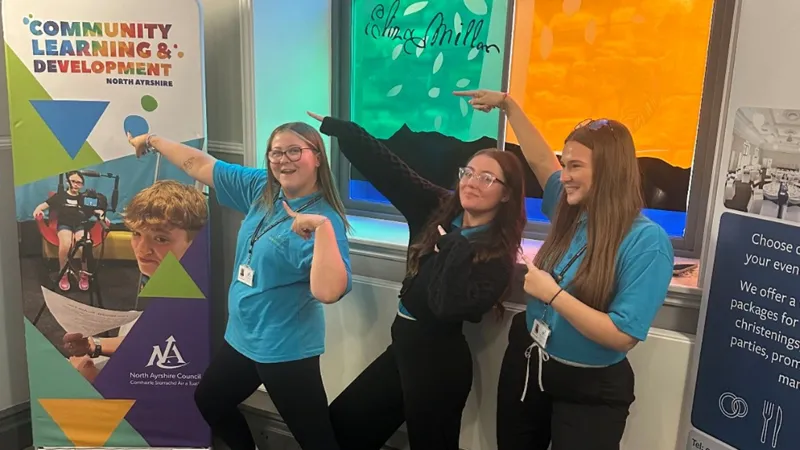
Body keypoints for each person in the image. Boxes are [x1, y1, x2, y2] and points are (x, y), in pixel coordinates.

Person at [455, 89, 674, 449]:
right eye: (566, 163)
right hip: (531, 364)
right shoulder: (572, 208)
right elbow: (542, 162)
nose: (565, 175)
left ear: (608, 172)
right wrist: (509, 106)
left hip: (589, 388)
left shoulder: (647, 243)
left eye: (575, 166)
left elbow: (622, 335)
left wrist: (553, 295)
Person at [306, 111, 526, 450]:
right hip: (404, 348)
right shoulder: (438, 208)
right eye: (468, 173)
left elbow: (448, 306)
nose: (471, 182)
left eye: (487, 179)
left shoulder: (498, 254)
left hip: (439, 365)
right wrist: (342, 130)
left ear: (507, 194)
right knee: (345, 424)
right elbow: (391, 171)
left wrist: (453, 245)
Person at [126, 123, 352, 450]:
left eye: (294, 151)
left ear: (317, 157)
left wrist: (321, 230)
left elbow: (329, 292)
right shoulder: (262, 188)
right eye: (276, 152)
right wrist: (152, 140)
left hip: (284, 349)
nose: (283, 160)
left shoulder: (323, 218)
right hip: (242, 339)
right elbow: (199, 165)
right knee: (210, 401)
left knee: (316, 441)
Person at [63, 180, 209, 380]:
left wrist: (90, 375)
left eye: (161, 239)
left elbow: (169, 382)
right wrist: (93, 345)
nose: (141, 250)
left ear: (194, 242)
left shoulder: (194, 300)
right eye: (136, 234)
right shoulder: (165, 279)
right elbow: (148, 341)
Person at [33, 171, 106, 291]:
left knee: (83, 246)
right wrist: (38, 210)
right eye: (73, 181)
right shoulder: (60, 196)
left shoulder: (84, 197)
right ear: (68, 182)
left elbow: (95, 210)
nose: (76, 185)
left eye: (79, 182)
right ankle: (63, 273)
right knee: (66, 244)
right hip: (64, 225)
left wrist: (101, 213)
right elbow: (43, 205)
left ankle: (84, 274)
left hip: (80, 225)